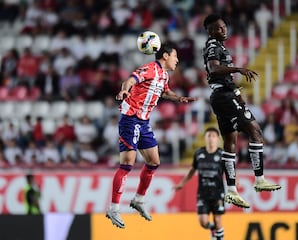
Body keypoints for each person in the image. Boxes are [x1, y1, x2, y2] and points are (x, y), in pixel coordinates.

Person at [106, 43, 197, 229]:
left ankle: (138, 199)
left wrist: (179, 98)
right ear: (165, 55)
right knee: (127, 163)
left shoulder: (164, 75)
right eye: (175, 56)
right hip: (130, 119)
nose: (177, 60)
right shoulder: (150, 68)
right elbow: (131, 80)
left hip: (144, 122)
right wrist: (124, 90)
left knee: (154, 162)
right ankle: (114, 208)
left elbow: (165, 92)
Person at [202, 14, 281, 208]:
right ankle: (260, 179)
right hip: (224, 98)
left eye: (224, 26)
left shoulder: (219, 46)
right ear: (211, 31)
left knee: (230, 143)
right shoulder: (213, 46)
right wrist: (238, 69)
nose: (224, 30)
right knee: (256, 132)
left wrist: (236, 91)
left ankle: (231, 191)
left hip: (223, 96)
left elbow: (221, 77)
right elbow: (214, 69)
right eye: (219, 28)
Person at [173, 127, 225, 240]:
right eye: (208, 136)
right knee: (203, 222)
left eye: (213, 136)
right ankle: (213, 229)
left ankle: (219, 237)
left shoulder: (222, 155)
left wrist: (236, 182)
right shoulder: (199, 153)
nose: (211, 139)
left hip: (218, 193)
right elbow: (192, 170)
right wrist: (182, 183)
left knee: (217, 219)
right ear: (205, 138)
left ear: (217, 139)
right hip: (203, 193)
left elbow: (231, 171)